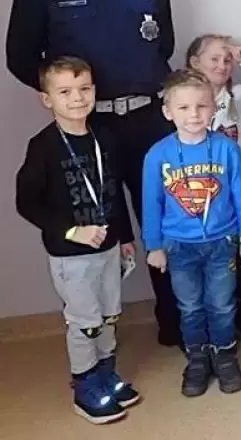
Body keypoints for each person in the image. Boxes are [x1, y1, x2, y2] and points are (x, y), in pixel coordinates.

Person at [5, 0, 181, 345]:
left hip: (148, 119)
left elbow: (162, 43)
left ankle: (177, 324)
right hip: (88, 128)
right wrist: (70, 104)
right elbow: (21, 58)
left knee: (166, 222)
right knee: (100, 230)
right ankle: (100, 344)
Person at [15, 57, 140, 424]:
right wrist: (71, 231)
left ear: (94, 91)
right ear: (47, 99)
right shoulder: (43, 146)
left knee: (109, 315)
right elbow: (26, 202)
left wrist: (126, 237)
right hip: (71, 255)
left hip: (109, 247)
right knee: (85, 323)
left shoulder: (105, 137)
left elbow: (113, 192)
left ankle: (107, 375)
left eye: (84, 89)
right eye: (65, 91)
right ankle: (85, 387)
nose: (77, 98)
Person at [142, 70, 241, 397]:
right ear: (168, 112)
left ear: (213, 109)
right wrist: (154, 246)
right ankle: (197, 358)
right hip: (178, 246)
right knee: (190, 306)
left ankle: (225, 355)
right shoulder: (157, 155)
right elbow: (151, 203)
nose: (193, 114)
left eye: (201, 106)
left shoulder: (227, 149)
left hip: (222, 242)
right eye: (183, 107)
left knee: (221, 304)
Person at [186, 34, 241, 339]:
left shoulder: (237, 95)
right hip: (202, 189)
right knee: (211, 252)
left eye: (227, 60)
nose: (222, 65)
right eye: (214, 59)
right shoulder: (187, 102)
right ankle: (213, 316)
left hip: (240, 186)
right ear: (195, 62)